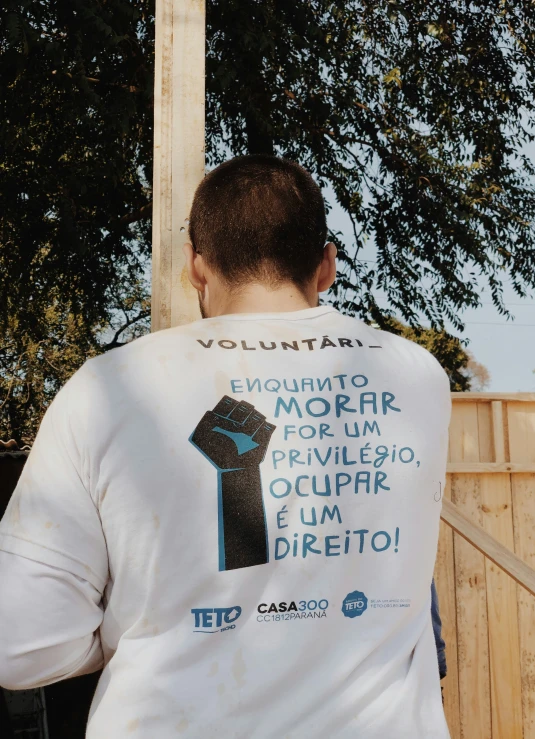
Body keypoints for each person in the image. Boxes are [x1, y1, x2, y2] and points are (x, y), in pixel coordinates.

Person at [0, 155, 451, 737]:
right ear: (326, 265)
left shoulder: (111, 388)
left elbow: (20, 642)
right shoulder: (415, 375)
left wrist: (146, 618)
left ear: (194, 263)